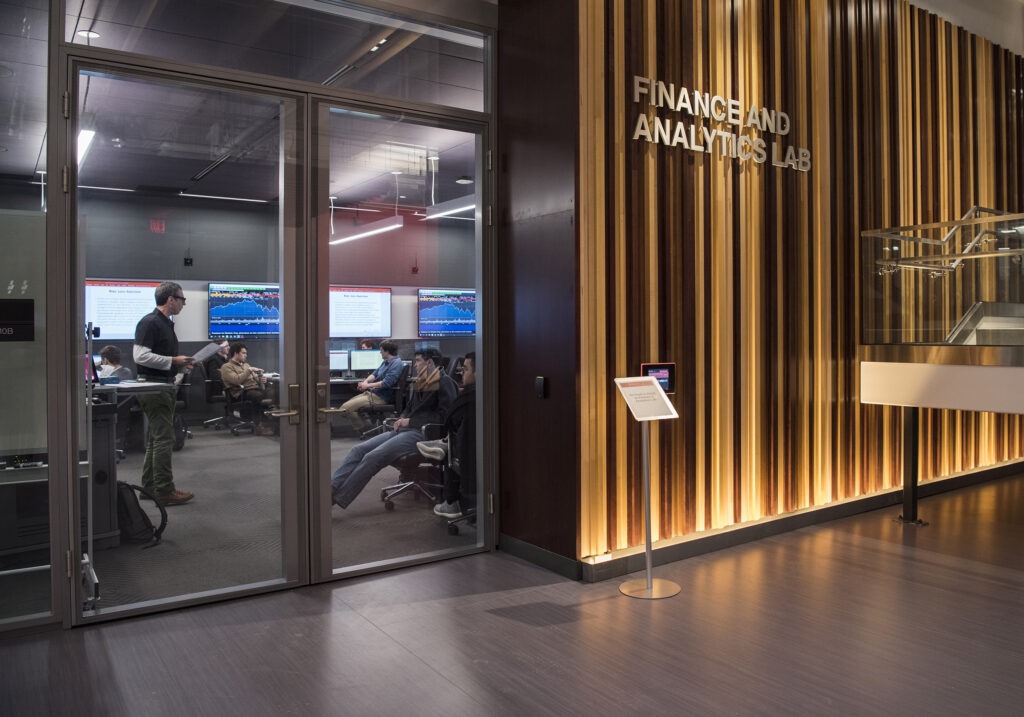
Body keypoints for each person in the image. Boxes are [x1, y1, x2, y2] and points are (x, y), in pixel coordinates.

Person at [331, 348, 456, 509]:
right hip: (407, 430)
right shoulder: (422, 380)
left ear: (430, 362)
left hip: (424, 433)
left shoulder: (444, 382)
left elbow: (447, 417)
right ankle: (332, 487)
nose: (415, 365)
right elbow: (409, 408)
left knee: (372, 457)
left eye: (418, 361)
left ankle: (340, 497)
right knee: (358, 450)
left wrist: (410, 421)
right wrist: (403, 418)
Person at [132, 281, 194, 505]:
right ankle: (164, 489)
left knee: (156, 439)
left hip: (161, 385)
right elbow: (140, 356)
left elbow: (160, 358)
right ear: (170, 299)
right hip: (153, 387)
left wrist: (180, 365)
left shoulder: (165, 324)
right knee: (164, 438)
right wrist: (173, 361)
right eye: (182, 299)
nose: (183, 304)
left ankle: (149, 487)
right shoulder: (150, 323)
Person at [426, 352, 476, 519]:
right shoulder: (489, 394)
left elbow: (450, 419)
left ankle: (451, 502)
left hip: (466, 452)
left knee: (450, 450)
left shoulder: (470, 399)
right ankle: (444, 442)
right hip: (473, 448)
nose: (462, 372)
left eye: (466, 369)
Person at [337, 338, 404, 434]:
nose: (380, 352)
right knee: (343, 408)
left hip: (381, 397)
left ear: (387, 351)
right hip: (373, 393)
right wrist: (365, 382)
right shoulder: (386, 362)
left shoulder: (396, 364)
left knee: (345, 409)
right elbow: (375, 374)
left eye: (381, 350)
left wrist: (367, 385)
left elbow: (386, 383)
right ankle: (367, 427)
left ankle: (365, 429)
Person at [219, 342, 274, 436]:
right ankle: (258, 427)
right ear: (236, 353)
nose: (246, 355)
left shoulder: (246, 365)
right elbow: (236, 380)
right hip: (240, 393)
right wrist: (249, 371)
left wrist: (261, 379)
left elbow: (256, 380)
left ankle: (273, 422)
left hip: (254, 389)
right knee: (257, 396)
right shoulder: (226, 367)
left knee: (274, 392)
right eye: (243, 353)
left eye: (246, 353)